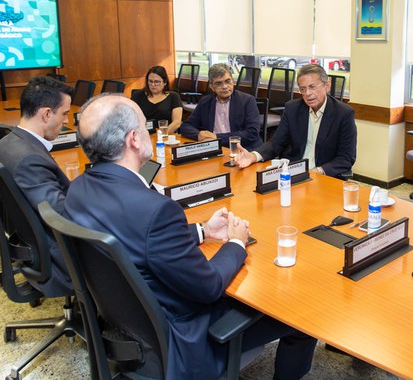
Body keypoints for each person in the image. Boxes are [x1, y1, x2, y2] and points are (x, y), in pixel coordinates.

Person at [65, 94, 316, 380]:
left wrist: (203, 230)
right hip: (184, 340)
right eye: (143, 124)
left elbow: (139, 238)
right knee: (300, 317)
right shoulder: (155, 210)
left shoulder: (78, 190)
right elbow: (208, 287)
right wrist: (235, 242)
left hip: (127, 327)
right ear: (134, 139)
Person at [0, 75, 74, 292]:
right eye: (64, 114)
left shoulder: (6, 143)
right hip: (57, 258)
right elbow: (61, 216)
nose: (67, 121)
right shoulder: (30, 159)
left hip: (31, 244)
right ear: (47, 114)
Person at [236, 64, 356, 178]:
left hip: (323, 176)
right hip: (293, 174)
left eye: (312, 87)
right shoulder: (292, 109)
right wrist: (252, 156)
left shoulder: (343, 113)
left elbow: (346, 158)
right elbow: (276, 144)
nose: (308, 94)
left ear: (327, 86)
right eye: (303, 89)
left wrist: (319, 171)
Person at [179, 63, 262, 150]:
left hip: (243, 150)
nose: (224, 87)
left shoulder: (247, 100)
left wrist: (217, 137)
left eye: (227, 81)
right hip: (214, 149)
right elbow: (186, 126)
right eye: (218, 84)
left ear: (233, 81)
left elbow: (252, 133)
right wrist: (199, 135)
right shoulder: (205, 102)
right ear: (212, 87)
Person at [131, 66, 182, 134]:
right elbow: (130, 119)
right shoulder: (138, 96)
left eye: (157, 82)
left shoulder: (173, 96)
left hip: (165, 136)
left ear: (165, 82)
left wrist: (161, 135)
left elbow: (177, 122)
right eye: (150, 81)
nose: (153, 84)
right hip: (143, 135)